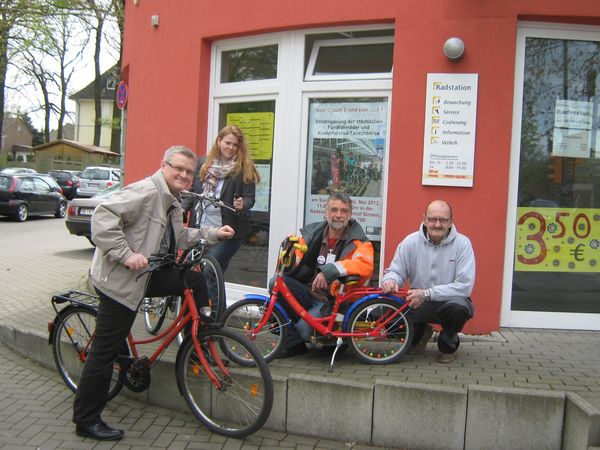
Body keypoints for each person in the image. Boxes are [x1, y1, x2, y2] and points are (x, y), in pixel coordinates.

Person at [72, 146, 235, 441]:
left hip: (147, 275)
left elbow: (182, 235)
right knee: (103, 354)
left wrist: (213, 234)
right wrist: (126, 254)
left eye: (189, 172)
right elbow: (102, 216)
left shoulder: (171, 199)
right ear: (163, 166)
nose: (184, 176)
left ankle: (202, 337)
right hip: (121, 282)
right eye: (179, 169)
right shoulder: (146, 192)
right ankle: (86, 420)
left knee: (194, 279)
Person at [273, 192, 374, 357]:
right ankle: (293, 343)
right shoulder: (312, 235)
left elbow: (364, 265)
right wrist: (288, 256)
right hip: (309, 293)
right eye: (334, 210)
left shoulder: (360, 241)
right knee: (276, 283)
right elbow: (290, 267)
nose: (338, 215)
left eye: (343, 211)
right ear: (326, 213)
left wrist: (330, 271)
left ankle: (334, 340)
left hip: (333, 302)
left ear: (350, 214)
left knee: (305, 331)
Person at [381, 200, 475, 364]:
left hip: (449, 301)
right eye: (432, 219)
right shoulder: (410, 241)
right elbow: (396, 271)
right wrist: (390, 281)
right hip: (418, 302)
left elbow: (464, 287)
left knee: (459, 308)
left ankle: (448, 342)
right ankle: (420, 332)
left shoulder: (463, 244)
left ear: (451, 221)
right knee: (386, 322)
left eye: (443, 220)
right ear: (424, 219)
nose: (437, 224)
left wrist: (427, 294)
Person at [185, 125, 260, 274]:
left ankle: (213, 298)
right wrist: (182, 208)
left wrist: (242, 204)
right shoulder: (203, 163)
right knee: (195, 272)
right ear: (219, 141)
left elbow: (249, 198)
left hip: (228, 230)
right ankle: (208, 298)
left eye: (235, 145)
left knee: (209, 271)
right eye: (228, 143)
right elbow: (193, 191)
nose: (231, 147)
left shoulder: (244, 168)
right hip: (201, 227)